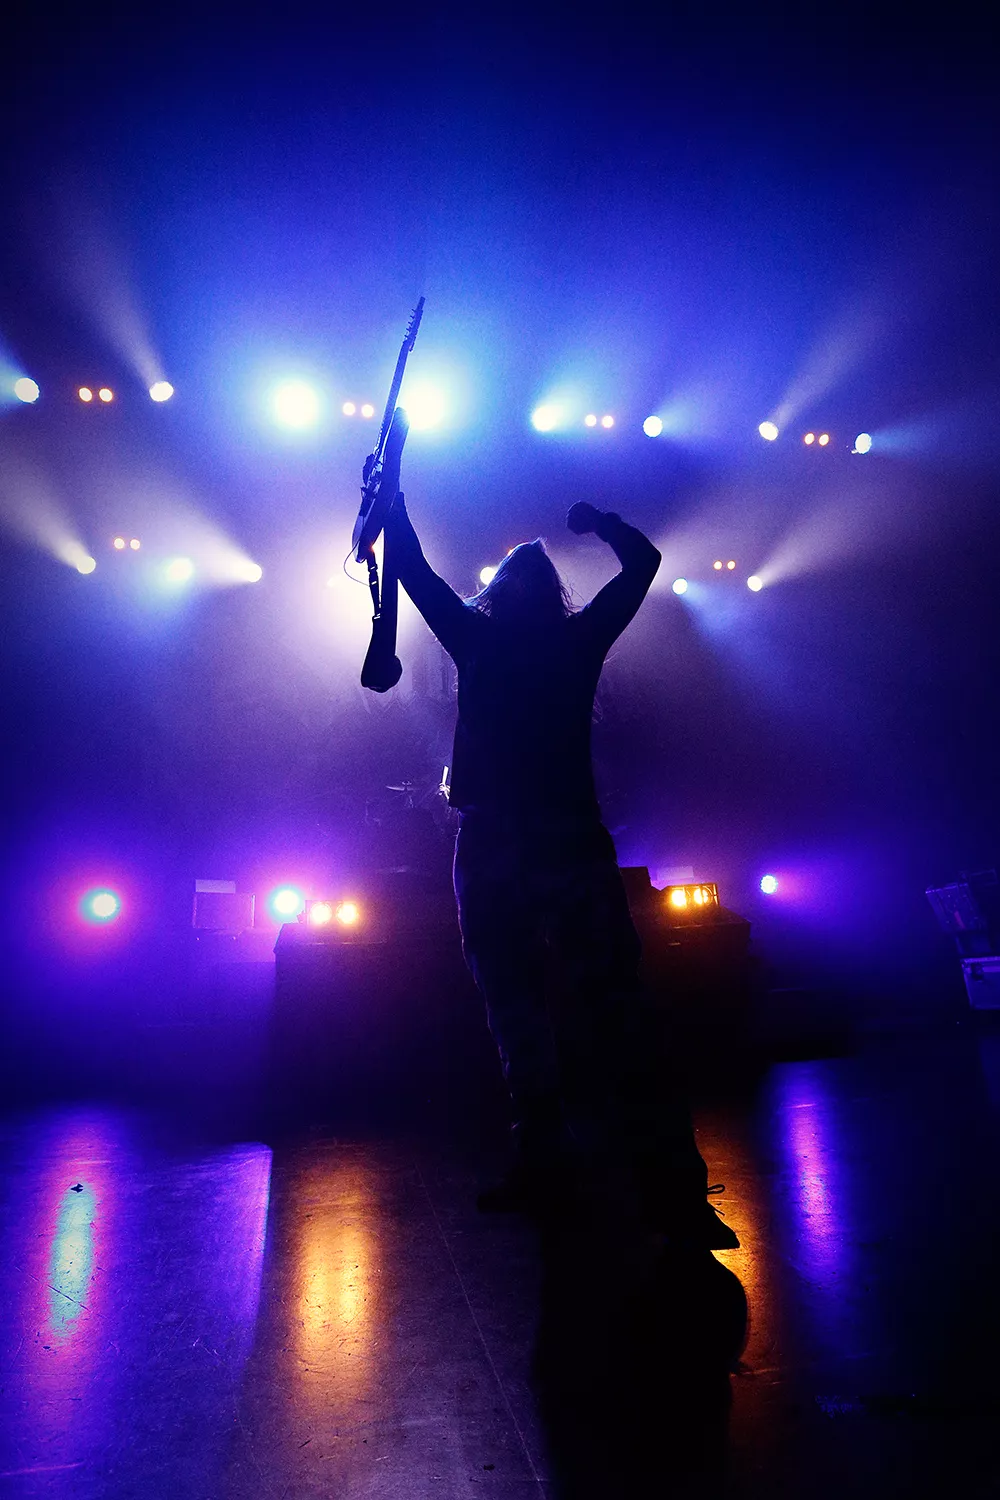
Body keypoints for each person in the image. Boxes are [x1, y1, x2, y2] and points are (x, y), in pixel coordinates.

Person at [384, 492, 738, 1251]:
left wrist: (395, 495)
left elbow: (411, 567)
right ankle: (674, 1188)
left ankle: (551, 1165)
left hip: (494, 842)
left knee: (515, 1008)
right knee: (617, 1011)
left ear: (501, 592)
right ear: (552, 594)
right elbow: (644, 564)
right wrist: (602, 525)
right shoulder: (577, 642)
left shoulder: (476, 638)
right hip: (566, 838)